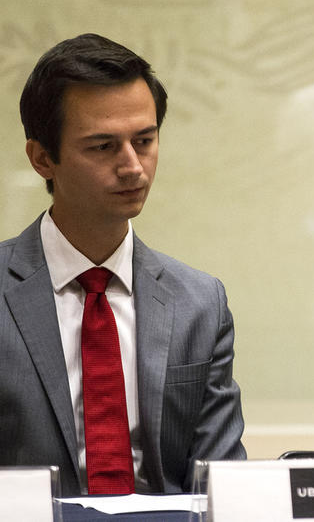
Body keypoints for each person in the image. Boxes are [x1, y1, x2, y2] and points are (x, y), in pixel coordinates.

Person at [0, 34, 245, 495]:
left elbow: (221, 483)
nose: (133, 166)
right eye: (102, 146)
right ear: (42, 158)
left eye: (144, 141)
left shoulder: (199, 302)